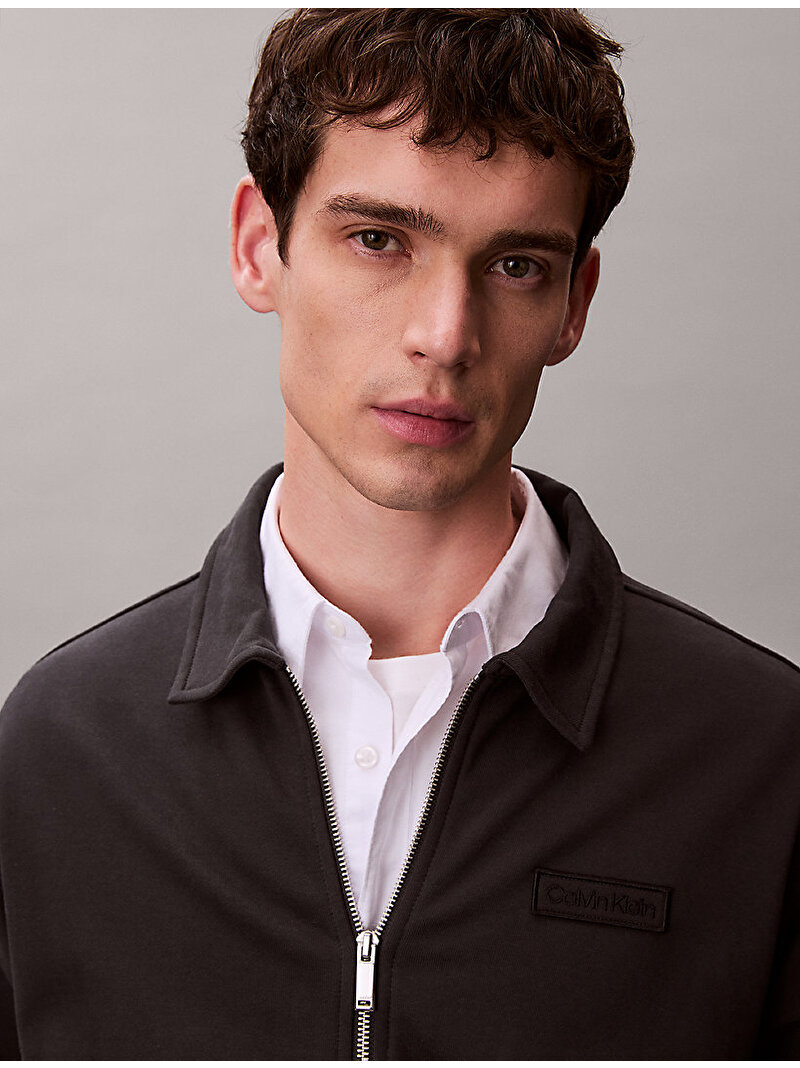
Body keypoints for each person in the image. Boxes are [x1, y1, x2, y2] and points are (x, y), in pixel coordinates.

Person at [0, 7, 798, 1060]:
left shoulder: (760, 754)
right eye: (378, 240)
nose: (444, 335)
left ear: (574, 304)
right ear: (259, 247)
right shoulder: (64, 743)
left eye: (516, 265)